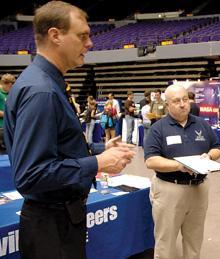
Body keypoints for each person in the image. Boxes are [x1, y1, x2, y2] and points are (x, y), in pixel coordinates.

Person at [3, 2, 135, 258]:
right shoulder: (42, 92)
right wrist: (96, 162)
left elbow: (57, 147)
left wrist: (99, 148)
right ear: (55, 36)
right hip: (51, 226)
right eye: (82, 35)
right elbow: (31, 174)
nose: (90, 43)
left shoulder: (46, 83)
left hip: (59, 220)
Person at [144, 84, 220, 259]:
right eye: (176, 101)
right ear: (167, 104)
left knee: (194, 239)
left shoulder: (201, 123)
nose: (182, 104)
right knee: (166, 242)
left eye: (185, 100)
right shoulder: (159, 128)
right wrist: (179, 166)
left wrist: (209, 156)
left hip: (199, 189)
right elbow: (151, 160)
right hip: (170, 190)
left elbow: (217, 147)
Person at [0, 73, 15, 154]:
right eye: (11, 86)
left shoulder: (10, 94)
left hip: (8, 127)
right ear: (9, 84)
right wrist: (10, 114)